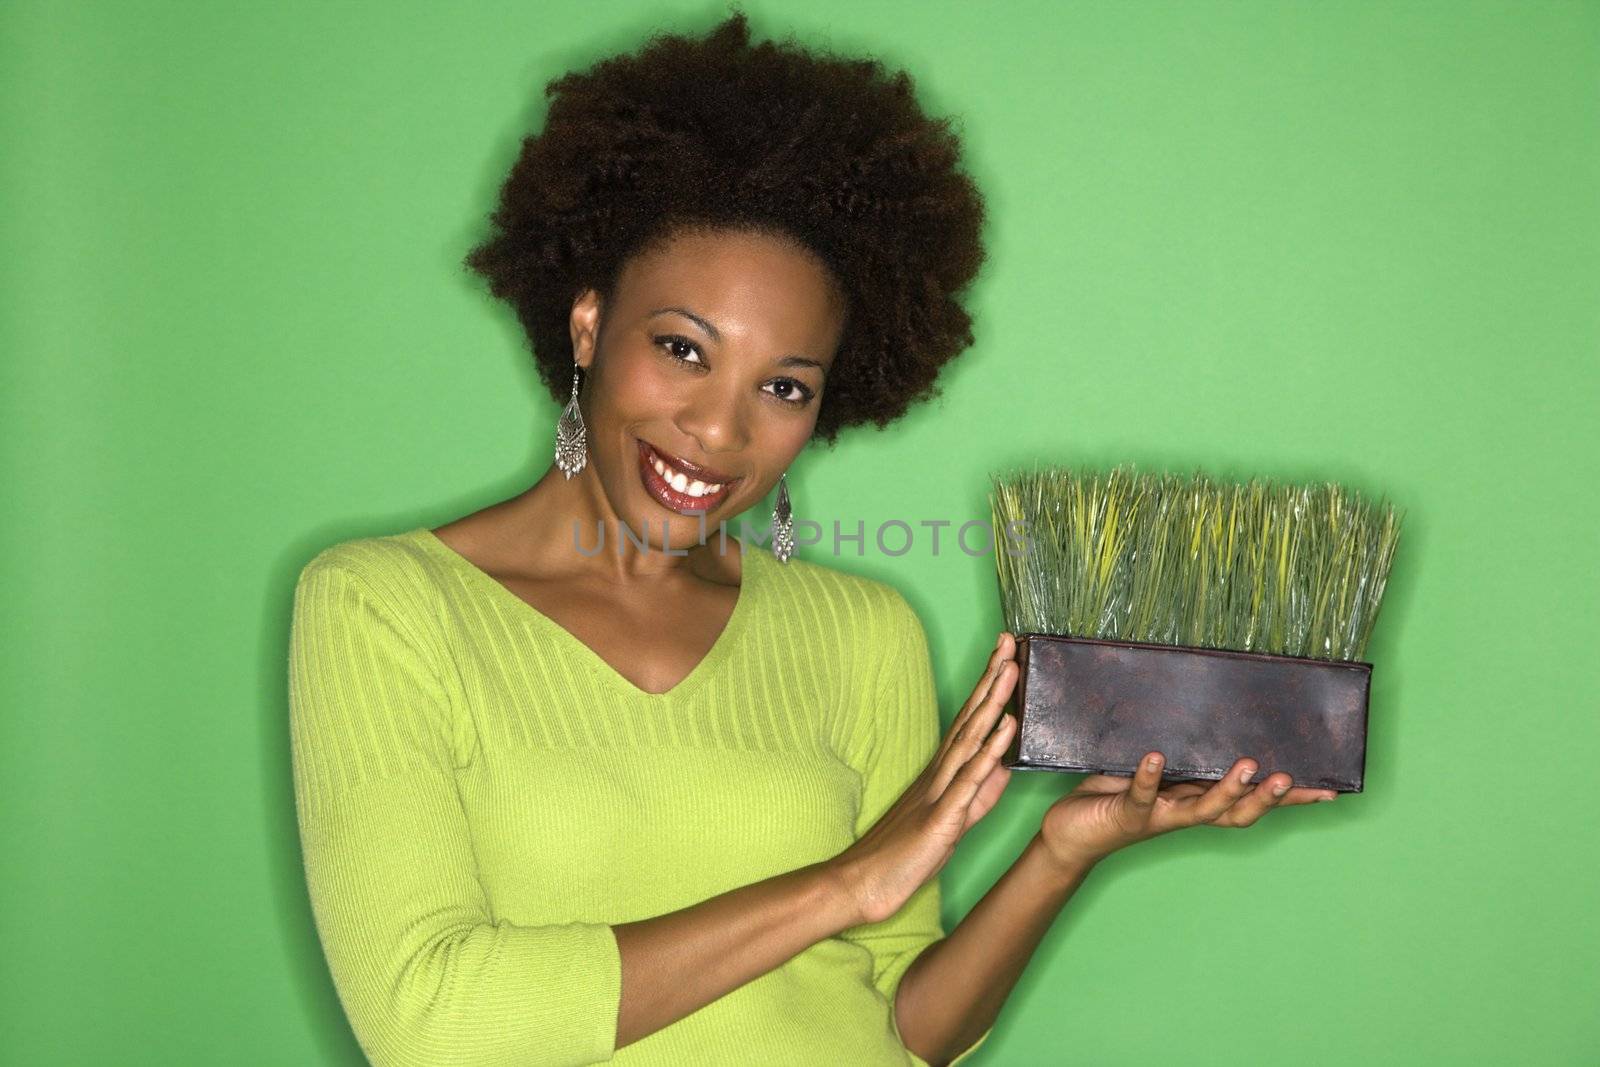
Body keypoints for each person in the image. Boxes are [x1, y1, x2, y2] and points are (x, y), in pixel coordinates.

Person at [286, 12, 1339, 1066]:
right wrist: (841, 882)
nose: (720, 428)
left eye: (783, 386)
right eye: (681, 349)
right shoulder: (385, 605)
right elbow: (429, 1023)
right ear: (587, 324)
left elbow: (905, 1025)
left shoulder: (863, 630)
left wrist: (1062, 851)